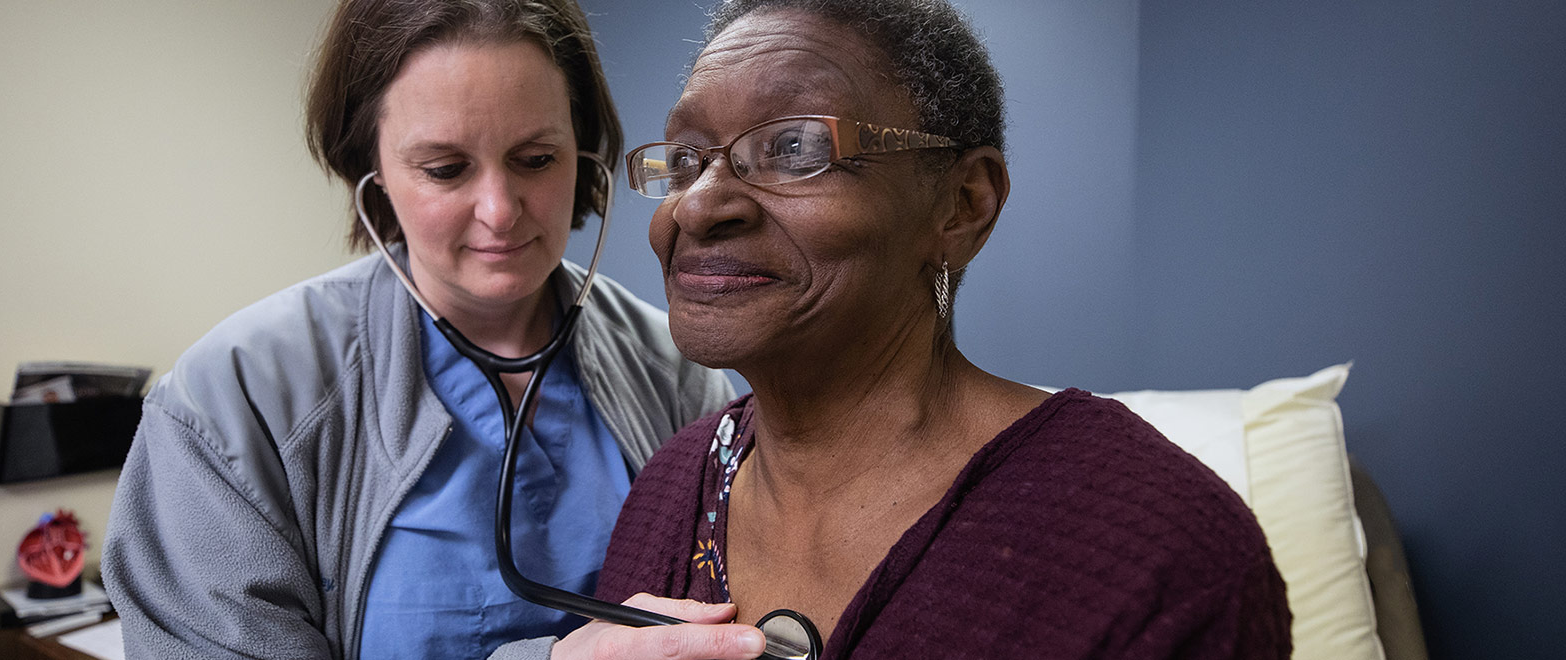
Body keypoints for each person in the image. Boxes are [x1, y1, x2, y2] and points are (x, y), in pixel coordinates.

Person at [569, 0, 1296, 657]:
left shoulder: (1159, 550)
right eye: (689, 160)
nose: (696, 207)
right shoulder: (672, 489)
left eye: (794, 147)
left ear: (961, 204)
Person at [100, 1, 736, 658]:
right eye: (445, 168)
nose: (500, 210)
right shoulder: (230, 406)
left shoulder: (680, 375)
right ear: (373, 177)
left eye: (537, 158)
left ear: (582, 153)